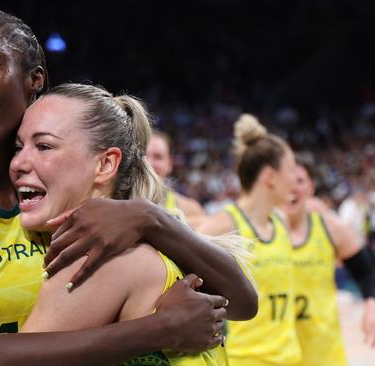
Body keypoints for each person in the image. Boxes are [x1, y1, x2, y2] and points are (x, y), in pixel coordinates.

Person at [0, 6, 256, 365]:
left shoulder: (97, 228)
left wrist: (149, 217)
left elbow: (241, 302)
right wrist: (158, 330)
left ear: (34, 79)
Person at [13, 83, 255, 365]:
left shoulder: (99, 260)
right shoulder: (155, 246)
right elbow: (244, 303)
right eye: (18, 148)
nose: (18, 162)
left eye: (44, 146)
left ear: (105, 165)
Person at [198, 113, 301, 365]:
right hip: (243, 359)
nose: (296, 180)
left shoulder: (282, 221)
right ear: (270, 177)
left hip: (290, 357)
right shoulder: (221, 225)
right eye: (291, 169)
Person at [281, 156, 375, 365]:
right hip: (272, 351)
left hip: (322, 351)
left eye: (300, 181)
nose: (292, 188)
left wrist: (371, 305)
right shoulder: (257, 230)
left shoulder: (331, 227)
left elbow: (366, 271)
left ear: (311, 187)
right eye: (286, 181)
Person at [146, 129, 207, 228]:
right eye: (143, 156)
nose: (149, 163)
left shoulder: (191, 210)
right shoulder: (120, 203)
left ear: (170, 164)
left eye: (158, 157)